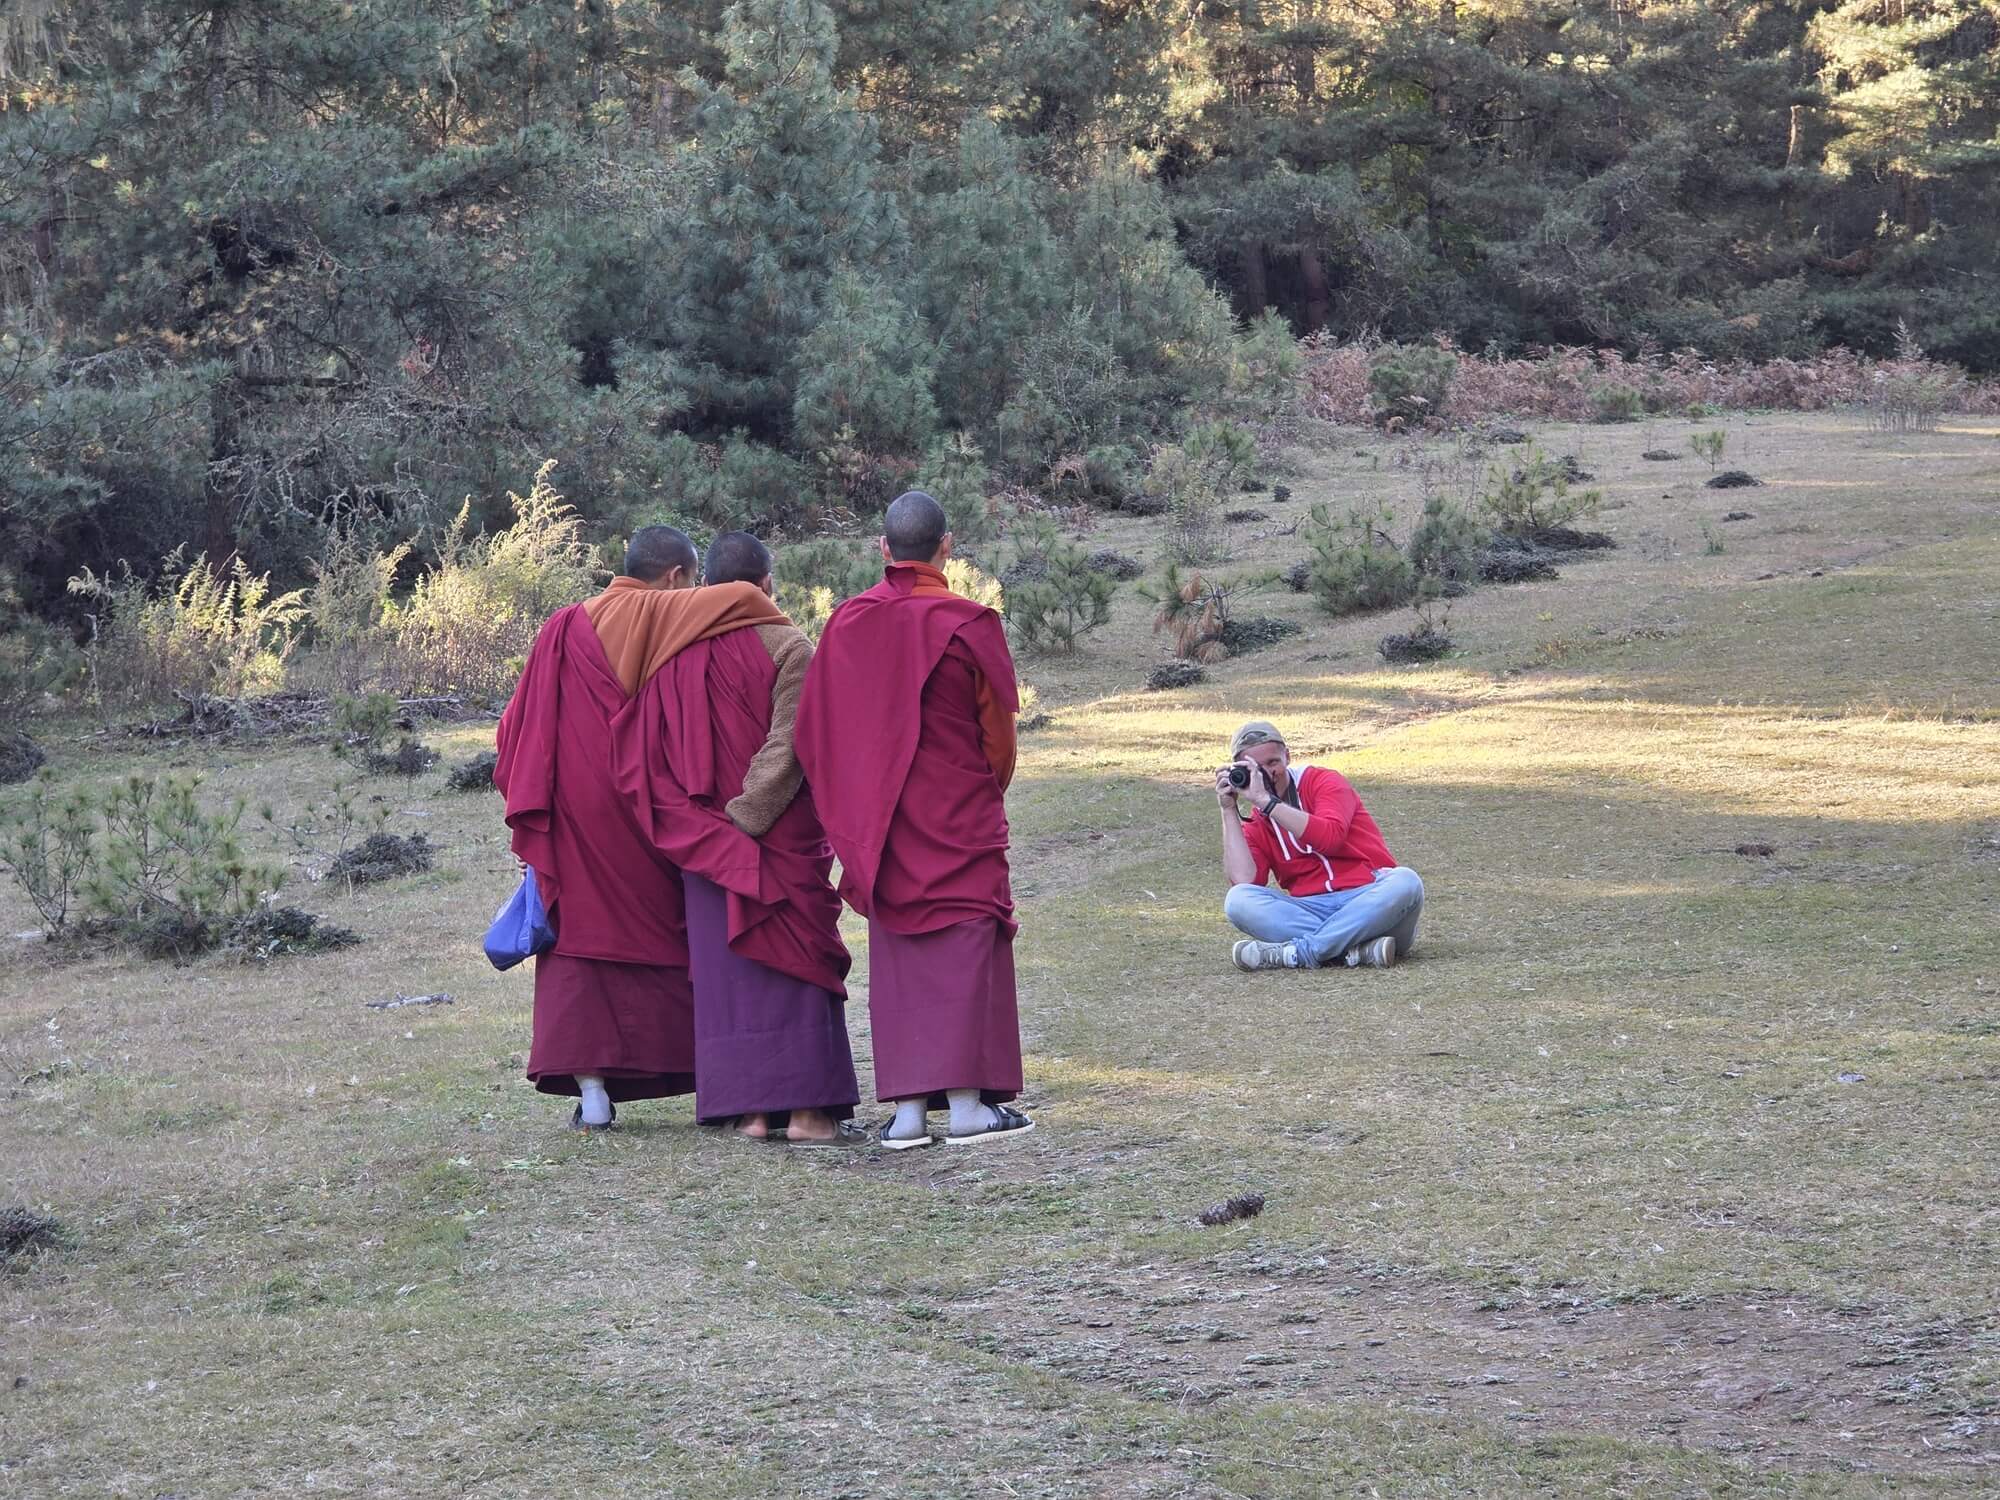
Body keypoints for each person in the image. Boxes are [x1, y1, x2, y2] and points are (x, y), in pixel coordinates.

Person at [494, 525, 788, 1129]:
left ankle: (594, 1094)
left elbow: (513, 730)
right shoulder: (672, 611)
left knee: (577, 935)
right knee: (659, 928)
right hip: (644, 792)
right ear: (678, 577)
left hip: (569, 799)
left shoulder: (562, 626)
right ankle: (705, 1072)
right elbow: (743, 598)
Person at [795, 491, 1033, 1149]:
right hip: (958, 812)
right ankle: (965, 1107)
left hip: (885, 823)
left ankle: (905, 1111)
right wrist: (982, 792)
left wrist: (856, 805)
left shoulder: (847, 624)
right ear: (946, 547)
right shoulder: (969, 623)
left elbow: (815, 732)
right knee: (964, 941)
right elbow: (997, 741)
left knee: (902, 951)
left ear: (883, 550)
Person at [608, 529, 860, 1145]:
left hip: (702, 840)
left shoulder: (670, 655)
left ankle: (750, 1111)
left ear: (706, 587)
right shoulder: (789, 645)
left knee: (730, 974)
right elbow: (791, 744)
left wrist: (706, 827)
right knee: (794, 965)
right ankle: (806, 1114)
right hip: (770, 834)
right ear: (767, 586)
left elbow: (649, 754)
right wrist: (747, 819)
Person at [1215, 719, 1424, 972]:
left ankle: (1303, 952)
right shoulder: (1257, 820)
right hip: (1313, 909)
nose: (1269, 773)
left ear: (1287, 757)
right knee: (1237, 900)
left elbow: (1330, 838)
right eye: (1257, 768)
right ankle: (1353, 950)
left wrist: (1267, 802)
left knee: (1406, 882)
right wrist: (1228, 810)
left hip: (1368, 903)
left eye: (1273, 762)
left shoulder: (1323, 781)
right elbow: (1245, 879)